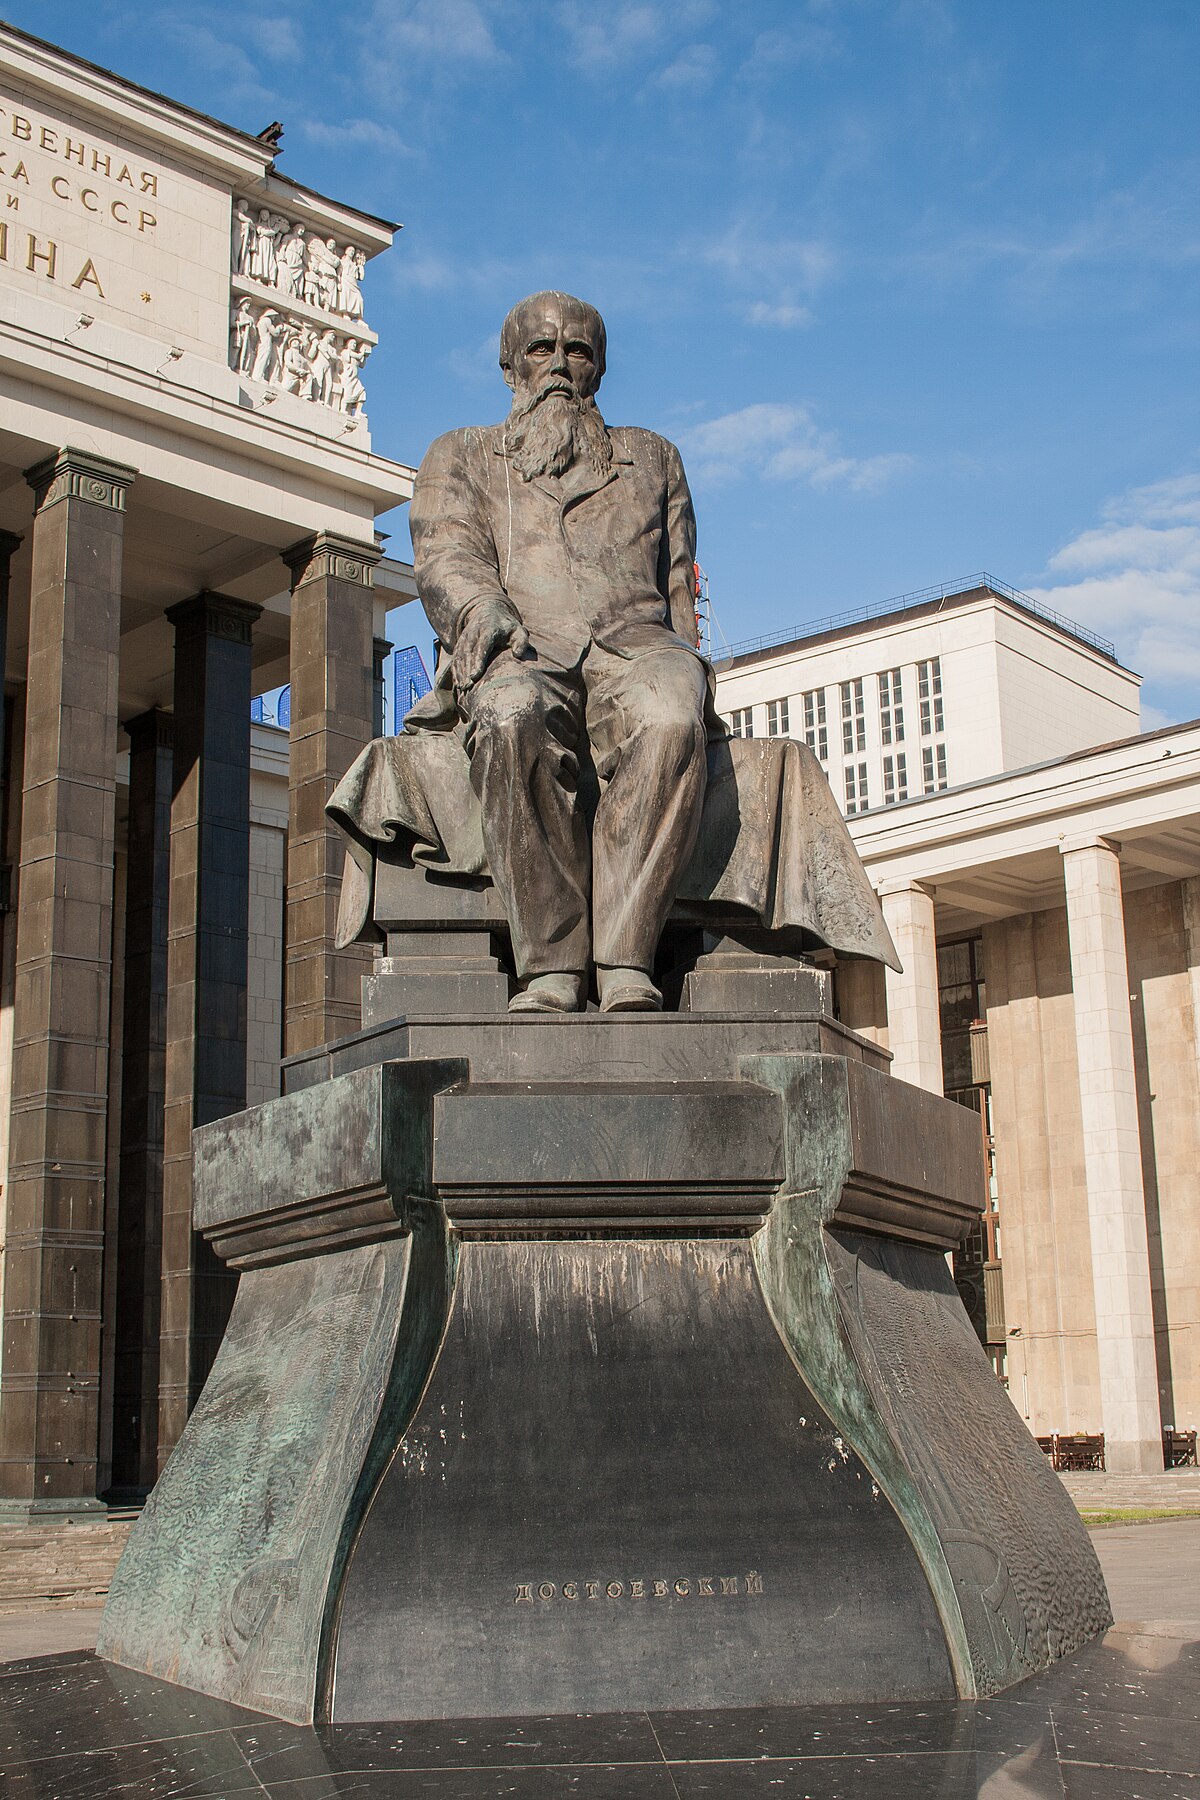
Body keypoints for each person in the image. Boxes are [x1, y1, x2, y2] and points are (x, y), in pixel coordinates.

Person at [408, 290, 710, 1013]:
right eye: (541, 350)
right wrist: (485, 613)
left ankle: (625, 959)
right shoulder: (462, 455)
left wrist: (691, 668)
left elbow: (678, 586)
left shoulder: (654, 457)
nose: (559, 365)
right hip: (522, 644)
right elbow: (447, 555)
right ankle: (551, 966)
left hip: (635, 646)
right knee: (512, 714)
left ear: (598, 368)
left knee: (672, 715)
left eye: (577, 351)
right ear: (511, 365)